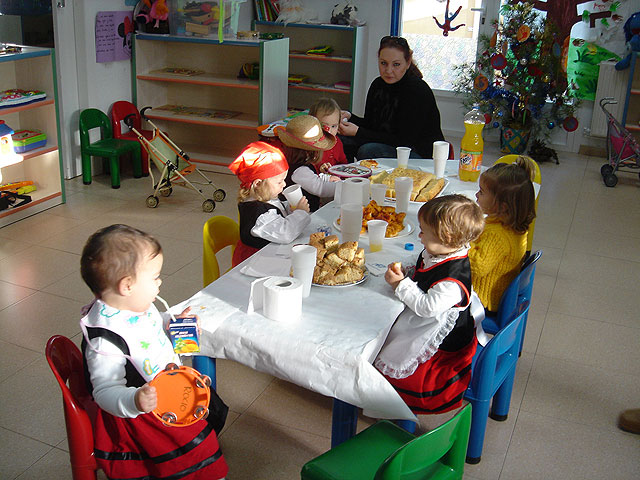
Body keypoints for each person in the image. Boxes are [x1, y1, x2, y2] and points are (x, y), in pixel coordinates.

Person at [79, 224, 228, 480]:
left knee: (203, 418)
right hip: (141, 413)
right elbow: (104, 391)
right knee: (194, 451)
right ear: (127, 286)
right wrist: (135, 400)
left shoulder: (133, 305)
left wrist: (172, 323)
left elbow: (148, 323)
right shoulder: (105, 340)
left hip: (168, 391)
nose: (160, 282)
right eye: (155, 277)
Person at [374, 195, 485, 414]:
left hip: (443, 350)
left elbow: (427, 307)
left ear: (447, 238)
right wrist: (407, 273)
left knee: (391, 355)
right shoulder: (441, 251)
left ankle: (394, 404)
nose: (419, 235)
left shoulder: (451, 283)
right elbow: (424, 268)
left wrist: (401, 285)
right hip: (429, 322)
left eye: (424, 232)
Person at [339, 35, 445, 161]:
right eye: (383, 63)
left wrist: (358, 132)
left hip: (418, 153)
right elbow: (371, 126)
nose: (388, 70)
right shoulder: (377, 85)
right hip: (389, 144)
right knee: (339, 140)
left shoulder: (417, 90)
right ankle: (344, 172)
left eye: (396, 64)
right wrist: (350, 117)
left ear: (408, 63)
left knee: (369, 150)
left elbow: (404, 141)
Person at [469, 156, 537, 313]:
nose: (476, 195)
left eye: (482, 192)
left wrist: (461, 241)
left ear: (502, 206)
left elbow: (478, 266)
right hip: (494, 296)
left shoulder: (497, 235)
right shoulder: (511, 226)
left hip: (481, 301)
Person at [229, 141, 311, 266]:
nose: (284, 184)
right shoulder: (257, 213)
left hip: (270, 255)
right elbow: (285, 233)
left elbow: (277, 213)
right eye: (279, 182)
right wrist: (300, 213)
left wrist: (291, 209)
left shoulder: (265, 197)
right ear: (258, 184)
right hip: (255, 263)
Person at [275, 114, 340, 211]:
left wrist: (326, 178)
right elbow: (321, 188)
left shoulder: (293, 163)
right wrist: (344, 186)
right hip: (303, 214)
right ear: (311, 151)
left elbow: (311, 179)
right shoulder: (300, 170)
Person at [308, 97, 348, 172]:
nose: (329, 131)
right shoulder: (311, 144)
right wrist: (321, 168)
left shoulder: (337, 143)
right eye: (324, 126)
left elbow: (343, 162)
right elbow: (309, 166)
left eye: (333, 126)